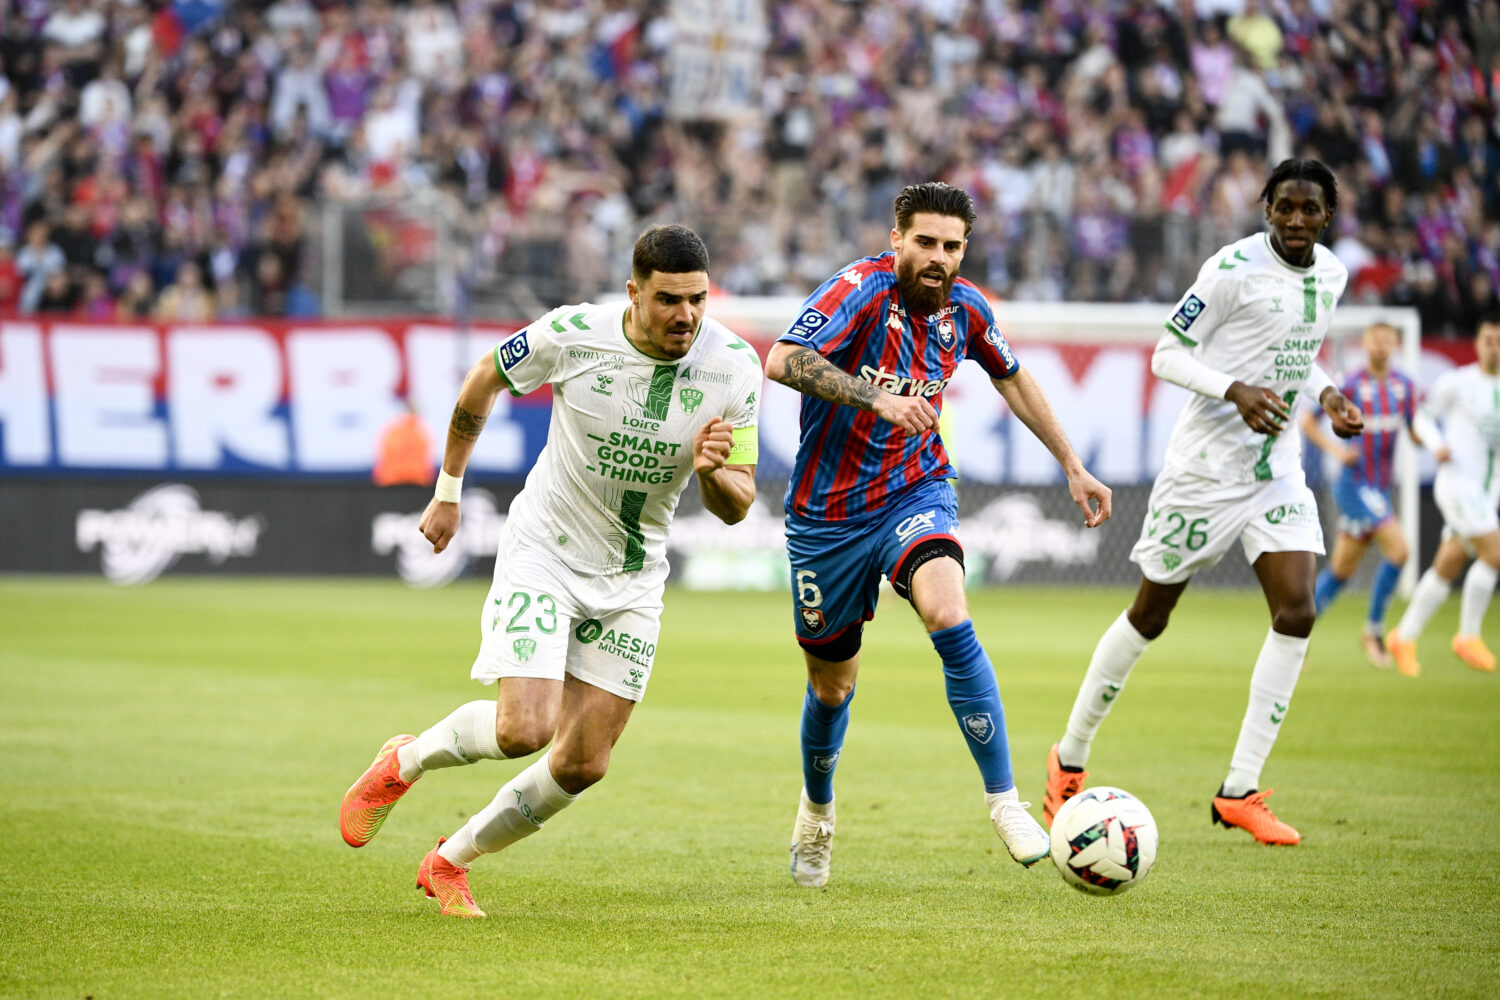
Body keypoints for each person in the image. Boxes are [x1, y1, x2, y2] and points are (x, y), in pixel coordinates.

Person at [339, 225, 761, 917]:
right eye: (667, 300)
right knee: (524, 730)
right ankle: (404, 762)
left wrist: (714, 473)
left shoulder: (735, 368)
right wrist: (447, 489)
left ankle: (449, 862)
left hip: (634, 575)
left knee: (582, 763)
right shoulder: (572, 334)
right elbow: (484, 379)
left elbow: (736, 506)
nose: (685, 316)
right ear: (633, 293)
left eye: (697, 300)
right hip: (547, 551)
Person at [764, 181, 1112, 886]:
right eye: (925, 242)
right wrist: (876, 396)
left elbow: (1012, 379)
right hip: (827, 517)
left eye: (952, 246)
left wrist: (1073, 465)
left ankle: (1005, 801)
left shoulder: (967, 309)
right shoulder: (859, 290)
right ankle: (817, 810)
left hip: (916, 491)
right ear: (896, 239)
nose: (939, 258)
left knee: (949, 611)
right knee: (832, 688)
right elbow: (782, 360)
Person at [1044, 159, 1364, 847]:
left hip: (1276, 469)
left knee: (1298, 610)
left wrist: (1328, 393)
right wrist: (1234, 391)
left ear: (1328, 214)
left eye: (1311, 209)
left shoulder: (1332, 275)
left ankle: (1239, 790)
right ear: (1266, 208)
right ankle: (1068, 757)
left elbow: (1296, 352)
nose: (1298, 219)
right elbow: (1166, 353)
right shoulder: (1231, 269)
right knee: (1150, 615)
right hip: (1202, 474)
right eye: (1285, 207)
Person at [1302, 321, 1438, 667]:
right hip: (1353, 484)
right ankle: (1373, 631)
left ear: (1395, 344)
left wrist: (1433, 442)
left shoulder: (1404, 387)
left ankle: (1295, 627)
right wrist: (1337, 452)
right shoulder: (1349, 384)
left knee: (1342, 570)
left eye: (1387, 340)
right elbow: (1307, 422)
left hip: (1378, 486)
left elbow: (1415, 431)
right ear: (1366, 344)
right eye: (1375, 340)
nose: (1380, 346)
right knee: (1401, 550)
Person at [1386, 318, 1500, 677]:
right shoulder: (1459, 382)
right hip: (1457, 485)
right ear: (1477, 343)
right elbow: (1420, 416)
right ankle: (1468, 636)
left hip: (1485, 493)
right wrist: (1436, 446)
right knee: (1495, 554)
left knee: (1448, 564)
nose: (1492, 346)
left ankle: (1403, 637)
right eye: (1487, 339)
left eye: (1498, 341)